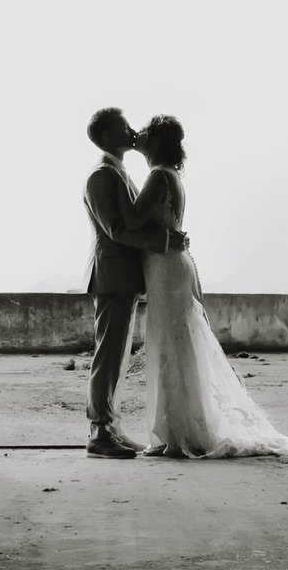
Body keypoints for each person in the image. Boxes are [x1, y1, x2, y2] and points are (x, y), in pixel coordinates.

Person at [126, 114, 288, 458]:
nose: (139, 134)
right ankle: (178, 429)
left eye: (145, 132)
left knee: (170, 346)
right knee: (178, 346)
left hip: (165, 267)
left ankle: (178, 432)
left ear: (157, 141)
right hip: (171, 265)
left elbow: (133, 221)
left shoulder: (157, 177)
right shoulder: (171, 176)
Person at [82, 106, 189, 459]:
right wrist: (163, 241)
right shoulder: (101, 176)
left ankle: (112, 428)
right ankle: (99, 432)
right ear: (108, 136)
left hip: (125, 277)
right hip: (112, 276)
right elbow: (116, 230)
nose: (132, 131)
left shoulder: (119, 172)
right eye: (124, 126)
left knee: (118, 356)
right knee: (108, 355)